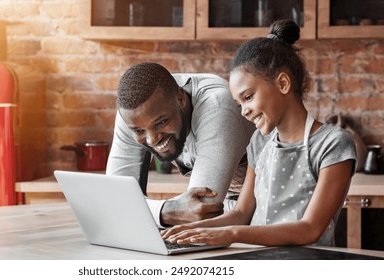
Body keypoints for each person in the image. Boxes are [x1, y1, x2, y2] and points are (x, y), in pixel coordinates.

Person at [162, 19, 357, 247]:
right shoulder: (259, 141)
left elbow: (309, 229)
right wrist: (188, 230)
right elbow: (242, 213)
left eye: (248, 97)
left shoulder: (333, 144)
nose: (244, 111)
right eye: (239, 103)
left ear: (283, 83)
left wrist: (233, 234)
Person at [106, 62, 255, 228]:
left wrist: (134, 211)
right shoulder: (134, 113)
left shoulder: (218, 107)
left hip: (265, 214)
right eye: (139, 131)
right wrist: (166, 211)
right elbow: (114, 198)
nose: (153, 139)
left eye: (161, 122)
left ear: (181, 99)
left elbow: (201, 211)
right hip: (226, 217)